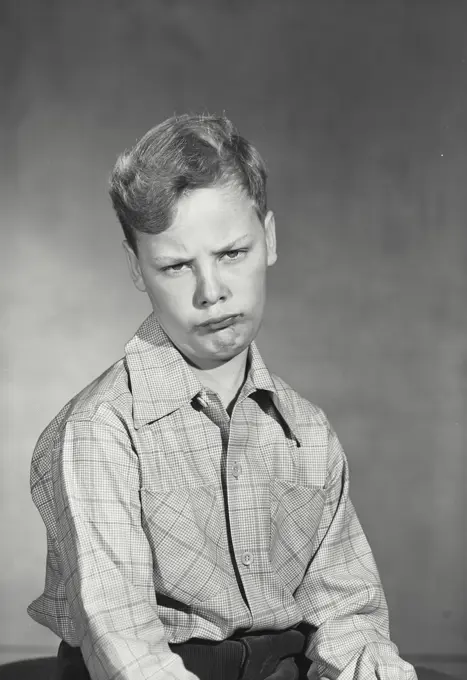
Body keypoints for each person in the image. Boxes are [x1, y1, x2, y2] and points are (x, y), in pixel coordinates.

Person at [28, 113, 417, 680]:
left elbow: (346, 613)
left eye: (233, 253)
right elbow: (126, 645)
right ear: (137, 269)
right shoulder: (101, 429)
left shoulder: (307, 430)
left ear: (271, 240)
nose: (212, 292)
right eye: (177, 265)